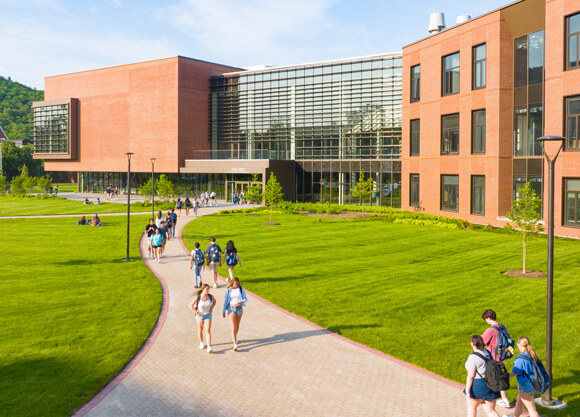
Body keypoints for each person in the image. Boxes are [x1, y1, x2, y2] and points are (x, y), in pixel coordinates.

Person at [502, 337, 545, 417]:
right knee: (519, 402)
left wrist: (503, 375)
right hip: (531, 383)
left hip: (526, 386)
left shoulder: (520, 359)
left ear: (519, 345)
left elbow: (514, 373)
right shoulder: (531, 354)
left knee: (531, 409)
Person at [481, 309, 512, 408]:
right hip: (502, 355)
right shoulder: (502, 326)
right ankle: (503, 399)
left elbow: (481, 342)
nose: (486, 321)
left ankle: (501, 399)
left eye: (485, 319)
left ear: (489, 318)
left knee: (494, 377)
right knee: (500, 376)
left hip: (493, 357)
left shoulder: (490, 330)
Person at [464, 335, 501, 417]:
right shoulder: (488, 352)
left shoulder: (473, 357)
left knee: (472, 408)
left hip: (478, 386)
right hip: (491, 384)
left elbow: (470, 376)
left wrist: (467, 390)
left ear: (472, 344)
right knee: (491, 411)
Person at [222, 277, 247, 351]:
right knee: (233, 326)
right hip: (231, 308)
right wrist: (223, 311)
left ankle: (234, 337)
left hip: (239, 308)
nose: (236, 284)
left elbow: (245, 298)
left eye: (237, 283)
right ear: (232, 283)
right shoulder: (228, 290)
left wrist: (241, 302)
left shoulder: (241, 289)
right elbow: (226, 300)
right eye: (234, 283)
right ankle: (235, 344)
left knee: (237, 326)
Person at [190, 284, 216, 353]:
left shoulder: (210, 296)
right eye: (207, 289)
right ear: (203, 289)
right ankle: (201, 342)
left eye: (208, 289)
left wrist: (211, 308)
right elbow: (190, 306)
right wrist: (196, 312)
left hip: (208, 315)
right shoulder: (198, 297)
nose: (208, 290)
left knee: (207, 331)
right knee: (200, 330)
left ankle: (209, 347)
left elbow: (214, 302)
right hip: (200, 316)